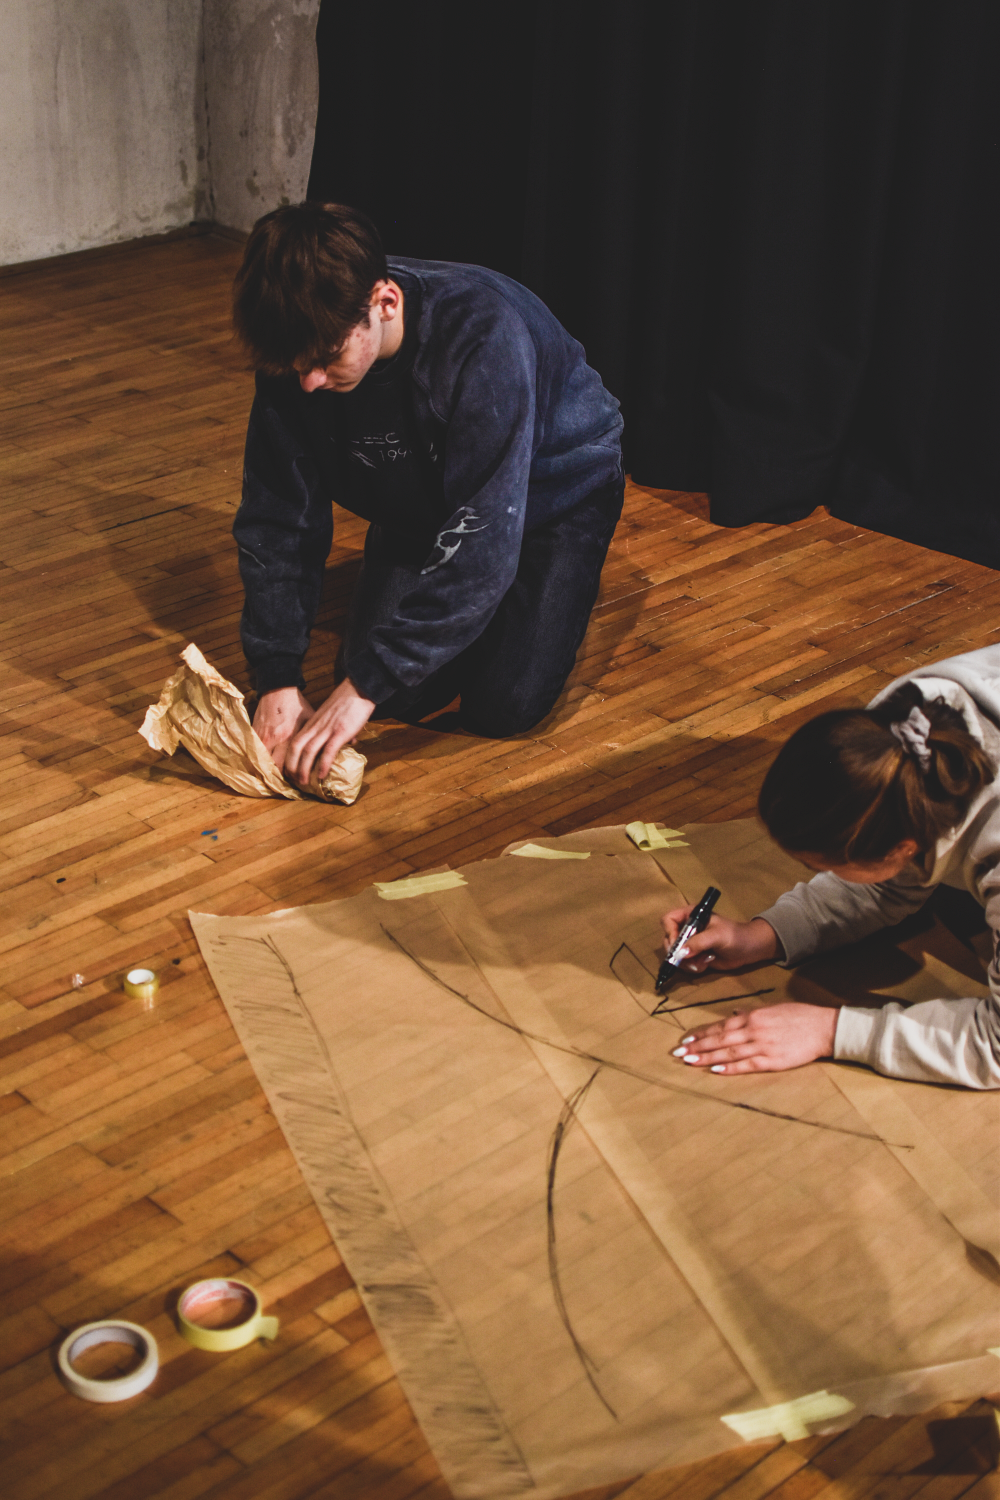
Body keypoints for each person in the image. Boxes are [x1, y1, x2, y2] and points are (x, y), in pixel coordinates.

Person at [230, 202, 624, 786]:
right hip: (423, 499)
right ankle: (461, 603)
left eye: (327, 358)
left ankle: (531, 586)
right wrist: (277, 675)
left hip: (554, 494)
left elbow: (483, 538)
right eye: (296, 367)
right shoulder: (299, 345)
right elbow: (277, 520)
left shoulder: (483, 335)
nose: (309, 381)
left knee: (504, 705)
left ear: (385, 303)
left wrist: (363, 686)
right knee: (395, 695)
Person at [661, 643, 1000, 1088]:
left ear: (903, 848)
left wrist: (831, 1030)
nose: (823, 874)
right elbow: (888, 876)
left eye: (833, 866)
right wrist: (763, 935)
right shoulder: (896, 731)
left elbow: (995, 1047)